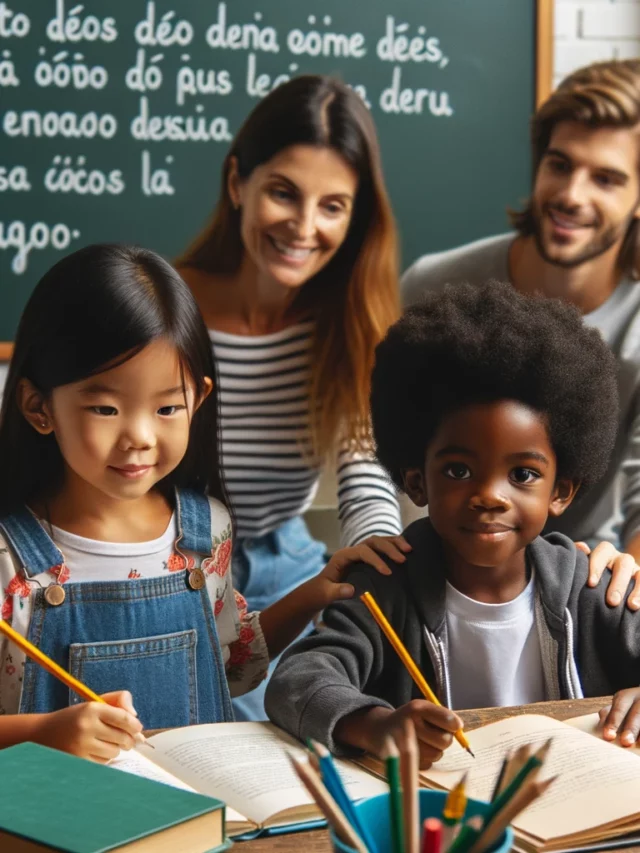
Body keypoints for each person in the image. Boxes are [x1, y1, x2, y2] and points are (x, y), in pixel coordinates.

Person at [0, 243, 398, 763]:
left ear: (200, 398)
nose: (140, 436)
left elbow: (231, 667)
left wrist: (312, 595)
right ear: (38, 407)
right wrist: (45, 731)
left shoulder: (204, 530)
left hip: (199, 822)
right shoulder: (10, 559)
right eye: (105, 407)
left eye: (168, 406)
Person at [265, 282, 640, 767]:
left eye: (522, 474)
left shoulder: (589, 591)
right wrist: (374, 725)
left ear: (560, 492)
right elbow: (297, 680)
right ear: (416, 482)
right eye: (458, 471)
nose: (488, 495)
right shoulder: (384, 589)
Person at [176, 75, 408, 720]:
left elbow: (365, 471)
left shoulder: (352, 322)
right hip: (174, 573)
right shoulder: (167, 307)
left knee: (336, 720)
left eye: (333, 206)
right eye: (283, 193)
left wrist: (381, 563)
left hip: (287, 568)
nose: (304, 227)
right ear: (236, 184)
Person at [402, 60, 640, 600]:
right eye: (560, 164)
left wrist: (627, 579)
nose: (572, 194)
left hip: (580, 582)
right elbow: (373, 443)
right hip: (432, 574)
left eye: (605, 178)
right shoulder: (434, 285)